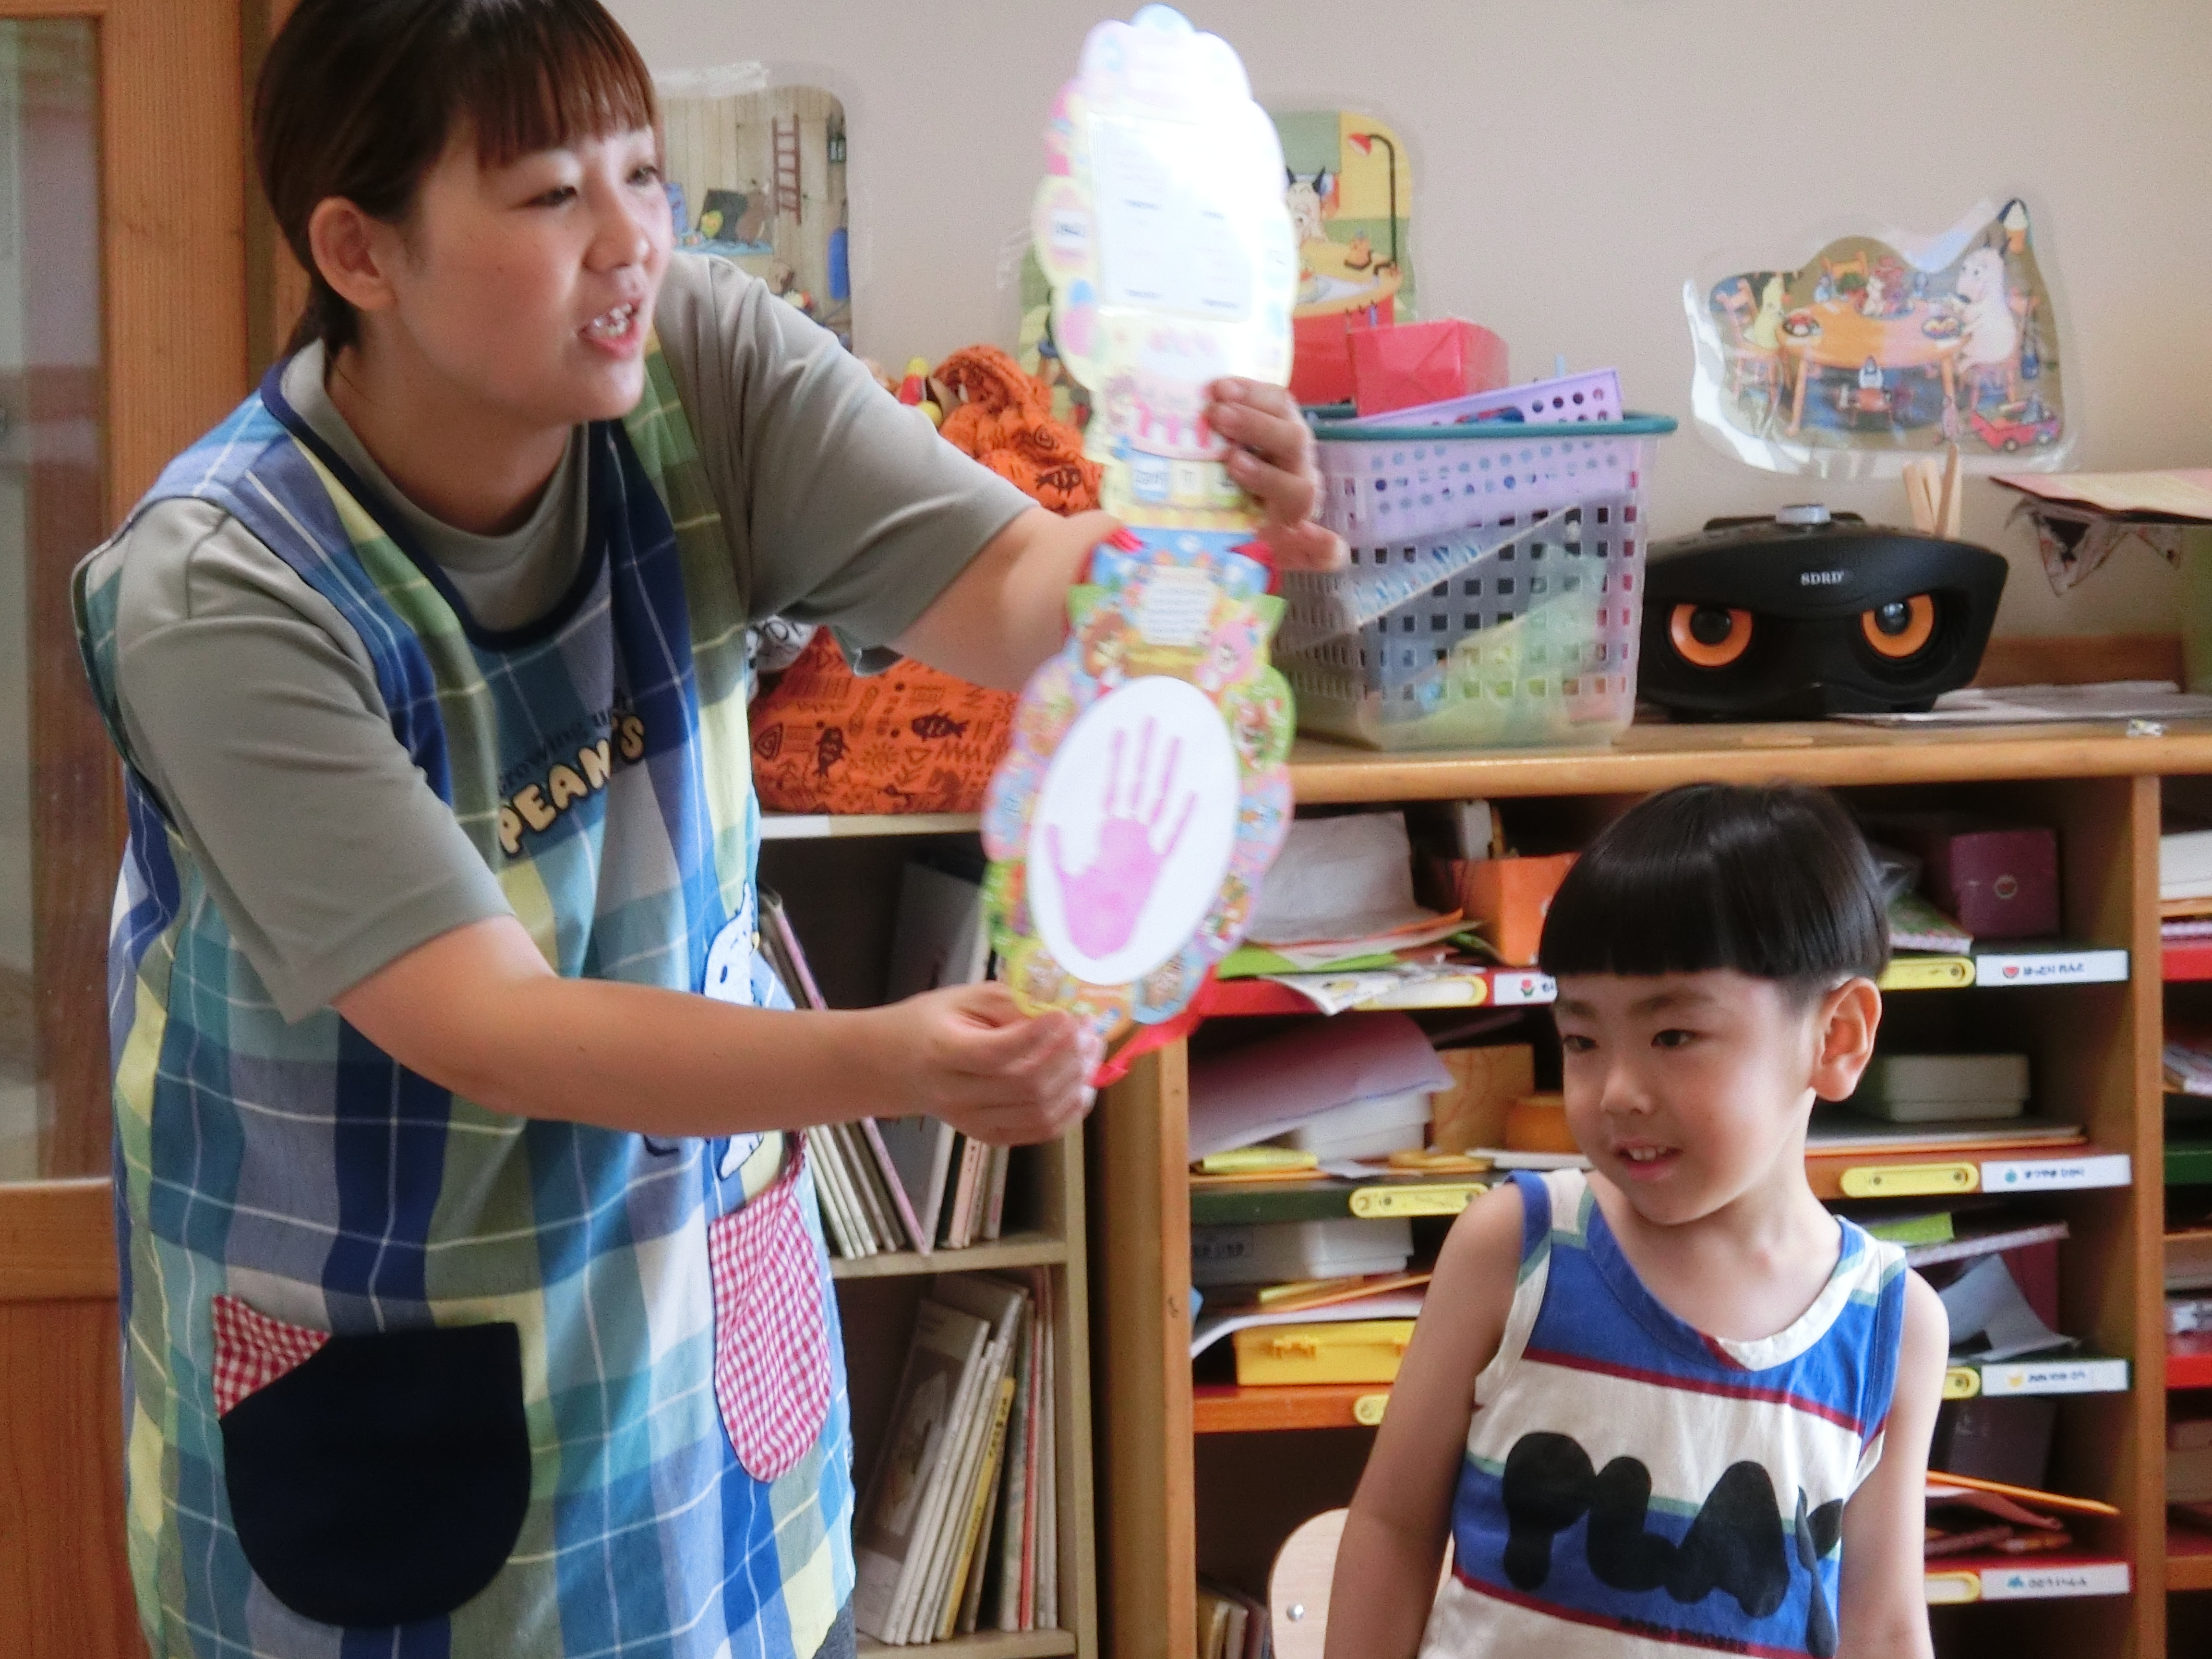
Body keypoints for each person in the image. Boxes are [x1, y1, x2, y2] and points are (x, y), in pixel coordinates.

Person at [69, 3, 1342, 1656]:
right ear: (358, 250)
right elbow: (491, 1024)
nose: (629, 242)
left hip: (696, 1342)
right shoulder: (219, 589)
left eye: (643, 173)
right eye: (550, 195)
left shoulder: (700, 355)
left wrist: (1182, 531)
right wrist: (891, 1060)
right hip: (381, 1374)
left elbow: (1009, 586)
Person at [1327, 783, 1947, 1659]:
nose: (1616, 1091)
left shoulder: (1892, 1324)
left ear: (1836, 1037)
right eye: (1582, 1041)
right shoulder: (1517, 1248)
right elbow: (1392, 1528)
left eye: (1673, 1037)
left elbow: (1882, 1625)